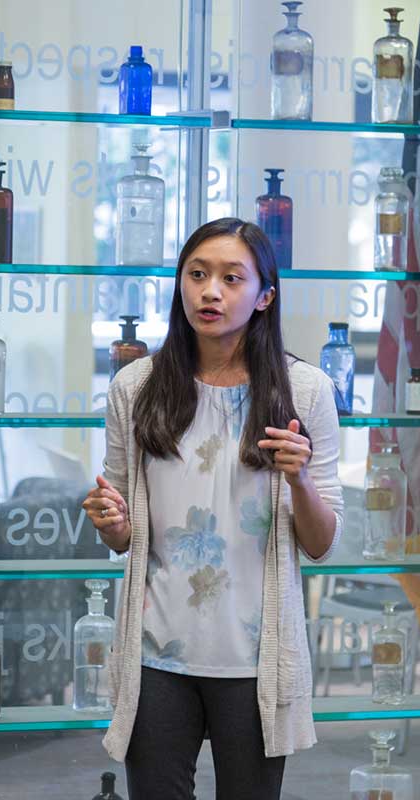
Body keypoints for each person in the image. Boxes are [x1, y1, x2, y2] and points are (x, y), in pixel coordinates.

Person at [82, 217, 343, 800]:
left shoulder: (305, 392)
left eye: (232, 277)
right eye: (197, 274)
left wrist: (298, 480)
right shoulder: (136, 386)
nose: (211, 291)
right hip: (157, 654)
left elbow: (323, 542)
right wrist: (114, 522)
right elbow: (121, 531)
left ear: (265, 296)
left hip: (254, 660)